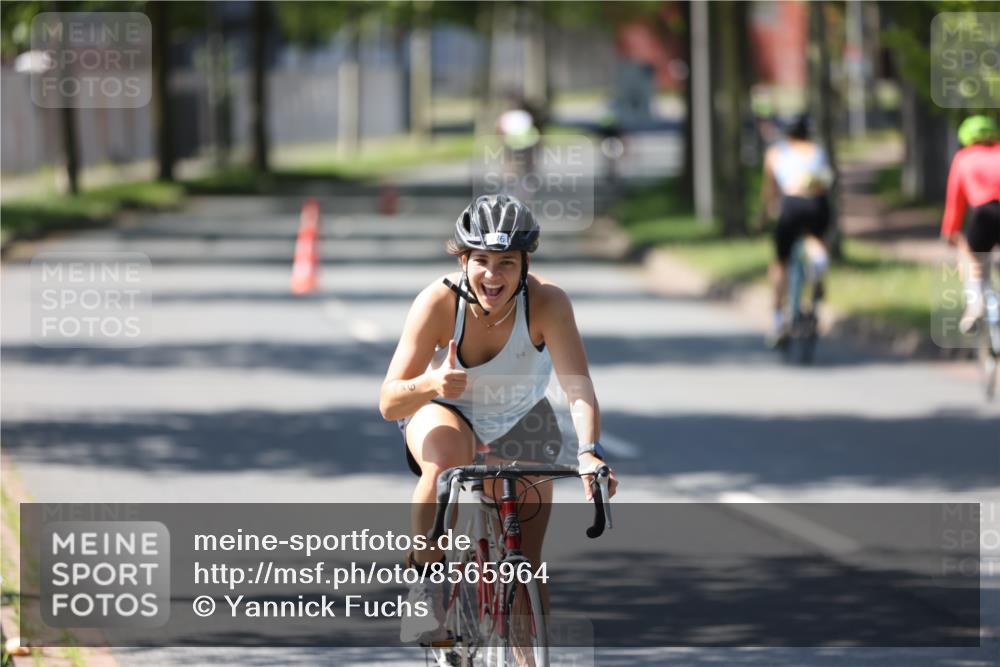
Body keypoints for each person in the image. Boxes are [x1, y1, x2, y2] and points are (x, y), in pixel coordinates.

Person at [379, 194, 619, 644]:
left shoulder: (548, 303)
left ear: (525, 264)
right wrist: (433, 386)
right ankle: (425, 588)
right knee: (447, 463)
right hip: (444, 410)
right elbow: (390, 401)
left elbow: (578, 388)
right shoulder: (437, 303)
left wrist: (589, 452)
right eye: (482, 261)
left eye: (507, 262)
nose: (493, 275)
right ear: (464, 259)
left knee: (527, 565)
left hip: (518, 418)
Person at [759, 113, 834, 347]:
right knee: (815, 240)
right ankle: (819, 266)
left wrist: (767, 212)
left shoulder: (775, 153)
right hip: (817, 204)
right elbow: (826, 180)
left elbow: (770, 192)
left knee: (781, 261)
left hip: (791, 203)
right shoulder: (817, 150)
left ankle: (778, 318)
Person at [940, 114, 1000, 334]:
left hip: (985, 213)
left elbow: (955, 203)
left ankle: (976, 306)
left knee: (970, 256)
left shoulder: (963, 158)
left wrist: (950, 233)